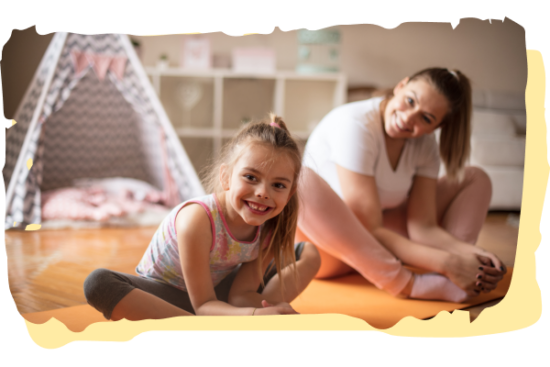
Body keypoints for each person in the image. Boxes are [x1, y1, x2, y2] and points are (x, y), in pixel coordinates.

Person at [296, 67, 507, 303]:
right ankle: (412, 284)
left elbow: (422, 226)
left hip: (381, 246)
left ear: (436, 128)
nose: (408, 118)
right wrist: (448, 262)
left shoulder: (425, 146)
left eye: (426, 118)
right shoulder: (356, 124)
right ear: (401, 86)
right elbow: (369, 228)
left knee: (475, 178)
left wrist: (474, 254)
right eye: (410, 101)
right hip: (326, 251)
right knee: (299, 180)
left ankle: (464, 274)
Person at [84, 114, 321, 320]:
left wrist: (270, 312)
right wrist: (252, 316)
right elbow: (204, 305)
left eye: (278, 185)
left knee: (308, 253)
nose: (262, 192)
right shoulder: (197, 219)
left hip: (217, 295)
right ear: (226, 177)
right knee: (98, 283)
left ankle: (236, 322)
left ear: (290, 194)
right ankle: (210, 326)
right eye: (251, 177)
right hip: (168, 298)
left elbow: (240, 296)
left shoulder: (270, 226)